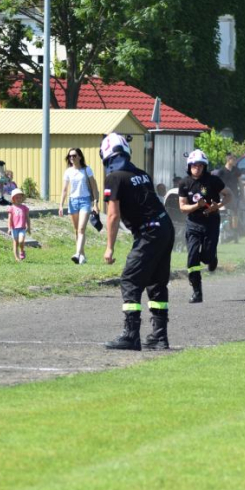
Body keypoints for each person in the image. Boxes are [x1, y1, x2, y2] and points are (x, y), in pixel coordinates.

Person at [102, 133, 175, 351]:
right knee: (156, 281)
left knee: (130, 279)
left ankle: (131, 335)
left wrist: (109, 247)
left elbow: (113, 215)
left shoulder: (114, 178)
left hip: (149, 232)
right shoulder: (141, 174)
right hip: (165, 228)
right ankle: (159, 336)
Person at [179, 149, 233, 303]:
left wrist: (218, 206)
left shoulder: (213, 180)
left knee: (207, 257)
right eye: (194, 165)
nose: (197, 168)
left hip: (211, 223)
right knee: (192, 258)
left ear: (204, 167)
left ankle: (212, 257)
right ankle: (197, 292)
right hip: (193, 224)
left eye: (200, 166)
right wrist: (197, 206)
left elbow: (229, 194)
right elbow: (182, 207)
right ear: (189, 166)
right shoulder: (184, 183)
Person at [58, 148, 99, 265]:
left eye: (74, 155)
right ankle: (82, 255)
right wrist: (60, 205)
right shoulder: (68, 172)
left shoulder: (87, 169)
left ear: (80, 157)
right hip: (72, 201)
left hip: (85, 200)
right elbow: (64, 190)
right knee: (77, 230)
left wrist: (95, 203)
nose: (72, 158)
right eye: (70, 156)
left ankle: (77, 254)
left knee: (81, 229)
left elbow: (94, 187)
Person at [211, 152, 242, 242]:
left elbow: (240, 183)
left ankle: (235, 234)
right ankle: (225, 233)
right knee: (224, 214)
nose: (235, 161)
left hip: (234, 195)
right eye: (234, 160)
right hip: (224, 196)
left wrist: (242, 195)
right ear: (229, 160)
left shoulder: (236, 170)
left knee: (234, 215)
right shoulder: (221, 171)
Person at [7, 188, 31, 262]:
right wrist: (9, 228)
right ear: (13, 199)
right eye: (16, 198)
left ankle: (22, 250)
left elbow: (27, 218)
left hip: (22, 228)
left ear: (22, 198)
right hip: (14, 228)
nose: (18, 199)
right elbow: (10, 219)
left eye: (20, 197)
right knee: (15, 243)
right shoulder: (11, 208)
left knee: (21, 241)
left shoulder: (24, 208)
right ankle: (17, 258)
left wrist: (29, 227)